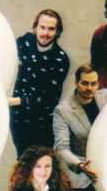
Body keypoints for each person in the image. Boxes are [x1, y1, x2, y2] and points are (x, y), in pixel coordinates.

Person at [9, 9, 70, 156]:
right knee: (23, 159)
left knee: (41, 162)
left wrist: (13, 101)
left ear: (57, 32)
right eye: (42, 27)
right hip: (18, 120)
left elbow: (47, 98)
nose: (45, 33)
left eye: (51, 29)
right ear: (35, 27)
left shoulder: (60, 59)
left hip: (42, 125)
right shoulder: (24, 42)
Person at [52, 63, 107, 191]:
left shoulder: (106, 97)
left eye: (93, 84)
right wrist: (80, 166)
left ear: (98, 84)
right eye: (85, 83)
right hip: (80, 174)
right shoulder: (63, 111)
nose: (89, 88)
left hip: (106, 168)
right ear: (76, 83)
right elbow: (61, 148)